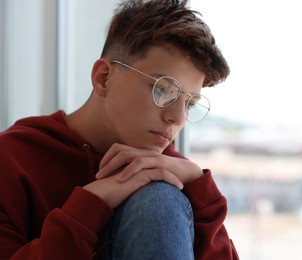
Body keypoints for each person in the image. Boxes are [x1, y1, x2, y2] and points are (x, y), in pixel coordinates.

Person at [0, 0, 239, 259]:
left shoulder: (170, 171)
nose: (177, 117)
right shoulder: (11, 158)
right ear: (104, 77)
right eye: (163, 89)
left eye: (189, 104)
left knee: (162, 195)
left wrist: (199, 187)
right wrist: (91, 203)